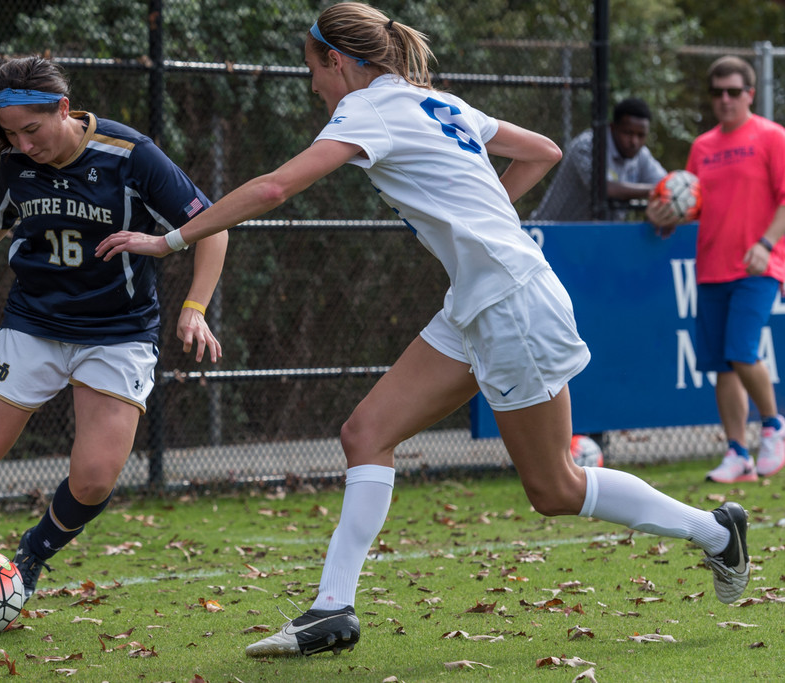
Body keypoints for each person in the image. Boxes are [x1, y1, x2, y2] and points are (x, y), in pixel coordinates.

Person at [97, 3, 751, 658]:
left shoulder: (367, 110)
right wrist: (481, 214)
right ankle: (331, 610)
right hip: (479, 299)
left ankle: (715, 532)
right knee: (365, 433)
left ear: (338, 60)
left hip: (510, 303)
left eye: (312, 69)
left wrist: (169, 239)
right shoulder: (430, 101)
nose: (314, 86)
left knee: (555, 487)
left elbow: (272, 189)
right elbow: (541, 151)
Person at [0, 55, 228, 630]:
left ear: (63, 108)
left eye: (32, 131)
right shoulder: (17, 161)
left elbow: (214, 224)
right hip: (33, 324)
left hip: (118, 333)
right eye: (11, 135)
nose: (23, 145)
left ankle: (30, 558)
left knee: (95, 478)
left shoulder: (131, 155)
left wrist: (195, 307)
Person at [647, 55, 785, 484]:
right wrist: (665, 218)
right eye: (717, 93)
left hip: (759, 264)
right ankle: (737, 453)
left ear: (750, 93)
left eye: (733, 92)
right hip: (709, 269)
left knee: (742, 351)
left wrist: (766, 245)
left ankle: (774, 427)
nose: (724, 100)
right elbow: (689, 203)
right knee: (722, 365)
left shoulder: (772, 137)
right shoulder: (703, 147)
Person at [531, 97, 667, 221]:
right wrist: (655, 190)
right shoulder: (588, 145)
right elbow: (603, 188)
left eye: (641, 135)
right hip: (549, 234)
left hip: (596, 239)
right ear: (613, 128)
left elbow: (667, 184)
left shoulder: (641, 155)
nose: (634, 142)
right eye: (628, 133)